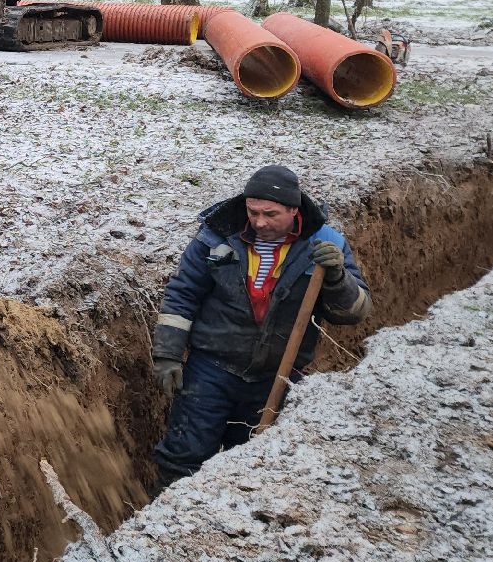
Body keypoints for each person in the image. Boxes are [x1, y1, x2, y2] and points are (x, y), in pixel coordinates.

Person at [150, 165, 371, 489]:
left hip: (276, 376)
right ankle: (169, 514)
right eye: (253, 212)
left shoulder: (325, 244)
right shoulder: (217, 236)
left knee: (251, 465)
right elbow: (183, 294)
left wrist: (338, 278)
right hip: (211, 369)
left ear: (294, 210)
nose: (259, 222)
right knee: (183, 457)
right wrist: (168, 353)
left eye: (270, 214)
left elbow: (355, 312)